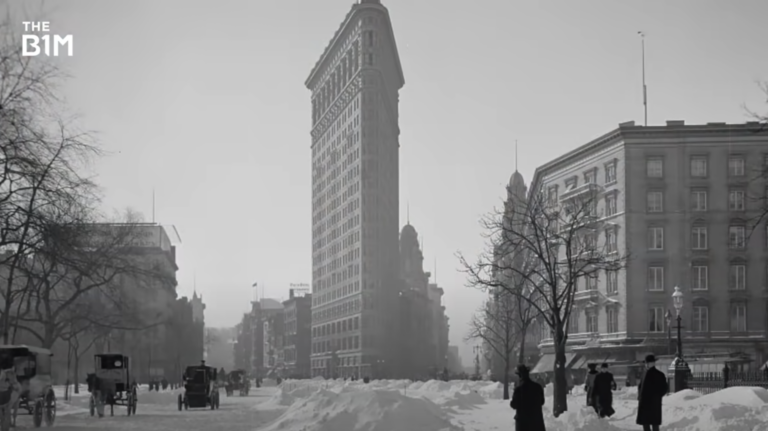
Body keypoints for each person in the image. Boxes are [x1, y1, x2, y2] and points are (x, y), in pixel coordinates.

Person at [636, 354, 668, 431]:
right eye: (646, 363)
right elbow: (640, 386)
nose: (647, 364)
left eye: (648, 363)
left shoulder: (659, 374)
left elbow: (664, 388)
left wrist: (657, 396)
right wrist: (640, 396)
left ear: (653, 363)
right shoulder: (644, 373)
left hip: (654, 403)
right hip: (644, 402)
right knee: (645, 423)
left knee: (655, 424)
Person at [510, 364, 545, 431]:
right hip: (536, 423)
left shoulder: (519, 389)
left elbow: (514, 405)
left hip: (523, 424)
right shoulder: (537, 387)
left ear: (520, 376)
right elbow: (542, 402)